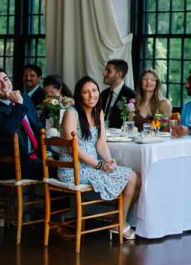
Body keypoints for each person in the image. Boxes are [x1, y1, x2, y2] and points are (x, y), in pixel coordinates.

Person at [59, 76, 140, 241]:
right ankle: (120, 223)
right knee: (131, 178)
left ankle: (118, 222)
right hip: (73, 168)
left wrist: (109, 161)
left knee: (137, 178)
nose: (92, 96)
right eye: (86, 92)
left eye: (94, 91)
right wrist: (99, 165)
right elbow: (72, 147)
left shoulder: (98, 112)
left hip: (93, 166)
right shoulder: (71, 113)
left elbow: (101, 143)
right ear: (79, 95)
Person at [0, 67, 43, 180]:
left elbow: (38, 126)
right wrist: (19, 105)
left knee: (64, 164)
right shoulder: (18, 102)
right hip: (10, 164)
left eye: (6, 79)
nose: (4, 85)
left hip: (35, 157)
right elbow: (8, 131)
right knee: (59, 170)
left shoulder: (25, 98)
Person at [100, 59, 135, 130]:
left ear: (119, 75)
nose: (104, 74)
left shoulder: (131, 95)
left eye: (108, 71)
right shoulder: (103, 94)